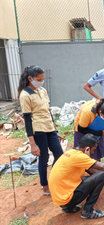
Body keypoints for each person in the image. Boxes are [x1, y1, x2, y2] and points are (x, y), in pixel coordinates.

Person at [49, 133, 104, 220]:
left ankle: (68, 207)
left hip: (61, 199)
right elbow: (102, 167)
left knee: (91, 178)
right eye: (93, 150)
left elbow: (90, 169)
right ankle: (87, 212)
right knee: (101, 175)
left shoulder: (71, 153)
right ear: (87, 149)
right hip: (66, 199)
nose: (93, 153)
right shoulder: (80, 157)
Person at [18, 65, 64, 196]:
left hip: (49, 127)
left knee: (59, 155)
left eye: (42, 79)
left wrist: (55, 130)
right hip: (38, 129)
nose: (41, 81)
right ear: (30, 78)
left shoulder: (42, 90)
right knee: (44, 158)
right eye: (38, 79)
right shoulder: (25, 95)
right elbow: (27, 120)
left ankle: (54, 178)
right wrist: (32, 144)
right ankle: (45, 186)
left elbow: (48, 112)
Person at [73, 98, 104, 164]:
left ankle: (97, 167)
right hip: (83, 130)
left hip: (96, 128)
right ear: (100, 112)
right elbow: (81, 129)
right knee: (84, 152)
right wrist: (100, 133)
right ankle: (87, 170)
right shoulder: (87, 112)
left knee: (97, 151)